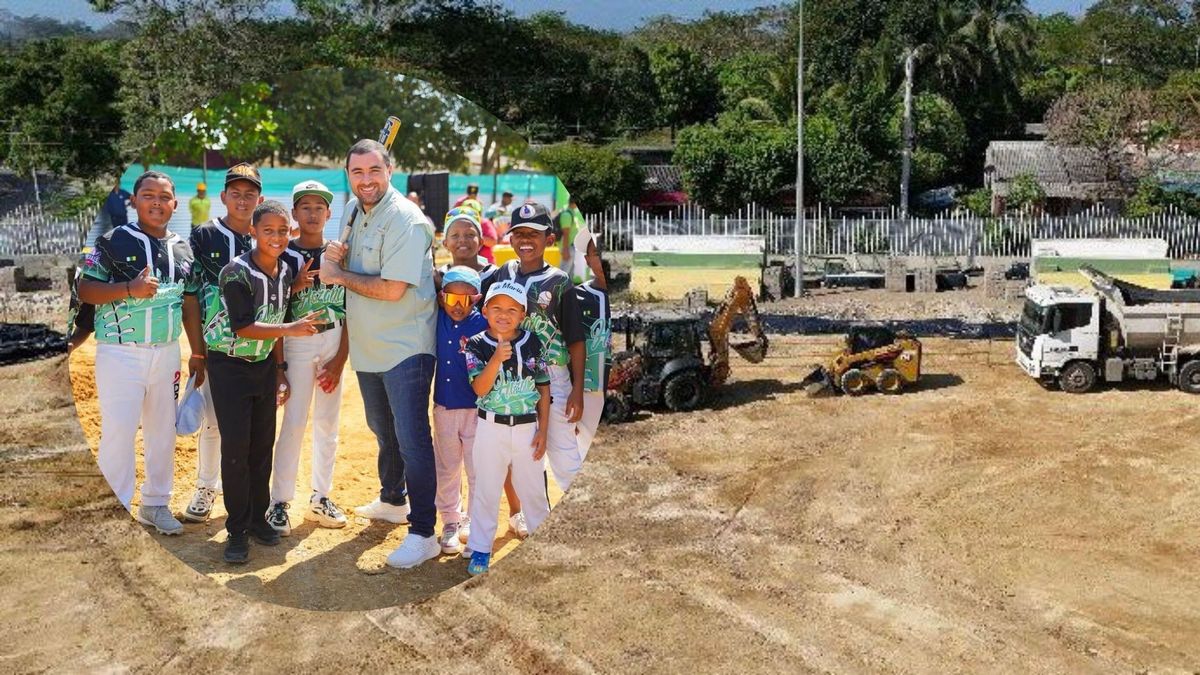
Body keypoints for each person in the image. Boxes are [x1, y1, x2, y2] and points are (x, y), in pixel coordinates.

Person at [322, 139, 441, 570]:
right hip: (371, 346)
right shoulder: (356, 211)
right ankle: (394, 500)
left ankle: (424, 532)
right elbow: (347, 265)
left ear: (390, 170)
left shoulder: (406, 220)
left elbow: (392, 289)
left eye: (374, 171)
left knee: (411, 438)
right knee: (382, 427)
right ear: (349, 176)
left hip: (405, 345)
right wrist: (335, 257)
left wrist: (337, 273)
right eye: (358, 173)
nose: (366, 180)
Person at [77, 170, 203, 535]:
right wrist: (129, 288)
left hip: (166, 353)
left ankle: (155, 504)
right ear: (135, 201)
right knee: (118, 431)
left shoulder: (183, 247)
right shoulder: (113, 241)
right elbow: (85, 288)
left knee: (162, 431)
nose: (157, 203)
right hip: (120, 352)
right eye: (149, 195)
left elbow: (190, 302)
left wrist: (198, 353)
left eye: (164, 197)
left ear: (175, 204)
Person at [204, 200, 322, 564]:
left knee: (261, 448)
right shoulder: (234, 272)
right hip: (229, 365)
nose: (276, 237)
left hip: (263, 366)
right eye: (268, 230)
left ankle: (257, 519)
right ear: (253, 232)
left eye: (283, 231)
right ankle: (236, 531)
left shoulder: (286, 268)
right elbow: (243, 326)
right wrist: (290, 328)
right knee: (237, 451)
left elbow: (277, 309)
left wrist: (281, 367)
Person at [437, 207, 527, 540]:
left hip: (488, 393)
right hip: (449, 399)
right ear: (445, 241)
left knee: (490, 462)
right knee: (451, 466)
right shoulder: (439, 292)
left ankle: (509, 512)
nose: (463, 240)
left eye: (470, 233)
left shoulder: (493, 289)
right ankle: (452, 519)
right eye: (455, 234)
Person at [267, 181, 350, 535]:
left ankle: (320, 496)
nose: (313, 213)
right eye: (306, 207)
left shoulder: (339, 253)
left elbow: (351, 309)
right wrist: (280, 367)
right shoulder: (283, 255)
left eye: (320, 207)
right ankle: (279, 501)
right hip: (298, 341)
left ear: (329, 214)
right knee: (294, 422)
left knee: (328, 425)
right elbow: (275, 314)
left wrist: (340, 358)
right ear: (295, 213)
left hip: (332, 339)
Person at [181, 163, 263, 524]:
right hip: (217, 349)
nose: (242, 200)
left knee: (256, 425)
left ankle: (254, 495)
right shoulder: (203, 235)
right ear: (223, 197)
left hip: (259, 346)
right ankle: (206, 486)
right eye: (236, 193)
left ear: (259, 199)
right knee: (216, 422)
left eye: (250, 194)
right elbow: (192, 295)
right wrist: (197, 350)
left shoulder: (268, 235)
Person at [490, 202, 586, 492]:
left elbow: (576, 340)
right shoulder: (502, 273)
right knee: (526, 458)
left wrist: (577, 390)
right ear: (510, 238)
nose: (526, 240)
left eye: (535, 233)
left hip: (554, 379)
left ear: (550, 239)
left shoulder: (559, 281)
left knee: (564, 456)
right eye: (519, 233)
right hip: (515, 381)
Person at [462, 279, 553, 575]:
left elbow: (543, 387)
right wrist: (496, 360)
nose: (504, 314)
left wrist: (544, 430)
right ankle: (480, 549)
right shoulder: (476, 343)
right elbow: (479, 388)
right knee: (487, 490)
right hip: (491, 428)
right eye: (497, 308)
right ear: (485, 310)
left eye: (513, 309)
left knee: (534, 491)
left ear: (523, 314)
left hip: (527, 428)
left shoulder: (532, 341)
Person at [432, 266, 489, 555]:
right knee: (447, 466)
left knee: (476, 468)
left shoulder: (484, 324)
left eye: (465, 301)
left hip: (476, 410)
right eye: (451, 299)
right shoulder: (437, 318)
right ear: (441, 297)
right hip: (444, 407)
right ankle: (450, 521)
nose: (457, 306)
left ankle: (476, 522)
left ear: (476, 299)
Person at [569, 233, 611, 460]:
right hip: (588, 392)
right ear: (587, 260)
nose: (602, 259)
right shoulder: (577, 298)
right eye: (596, 253)